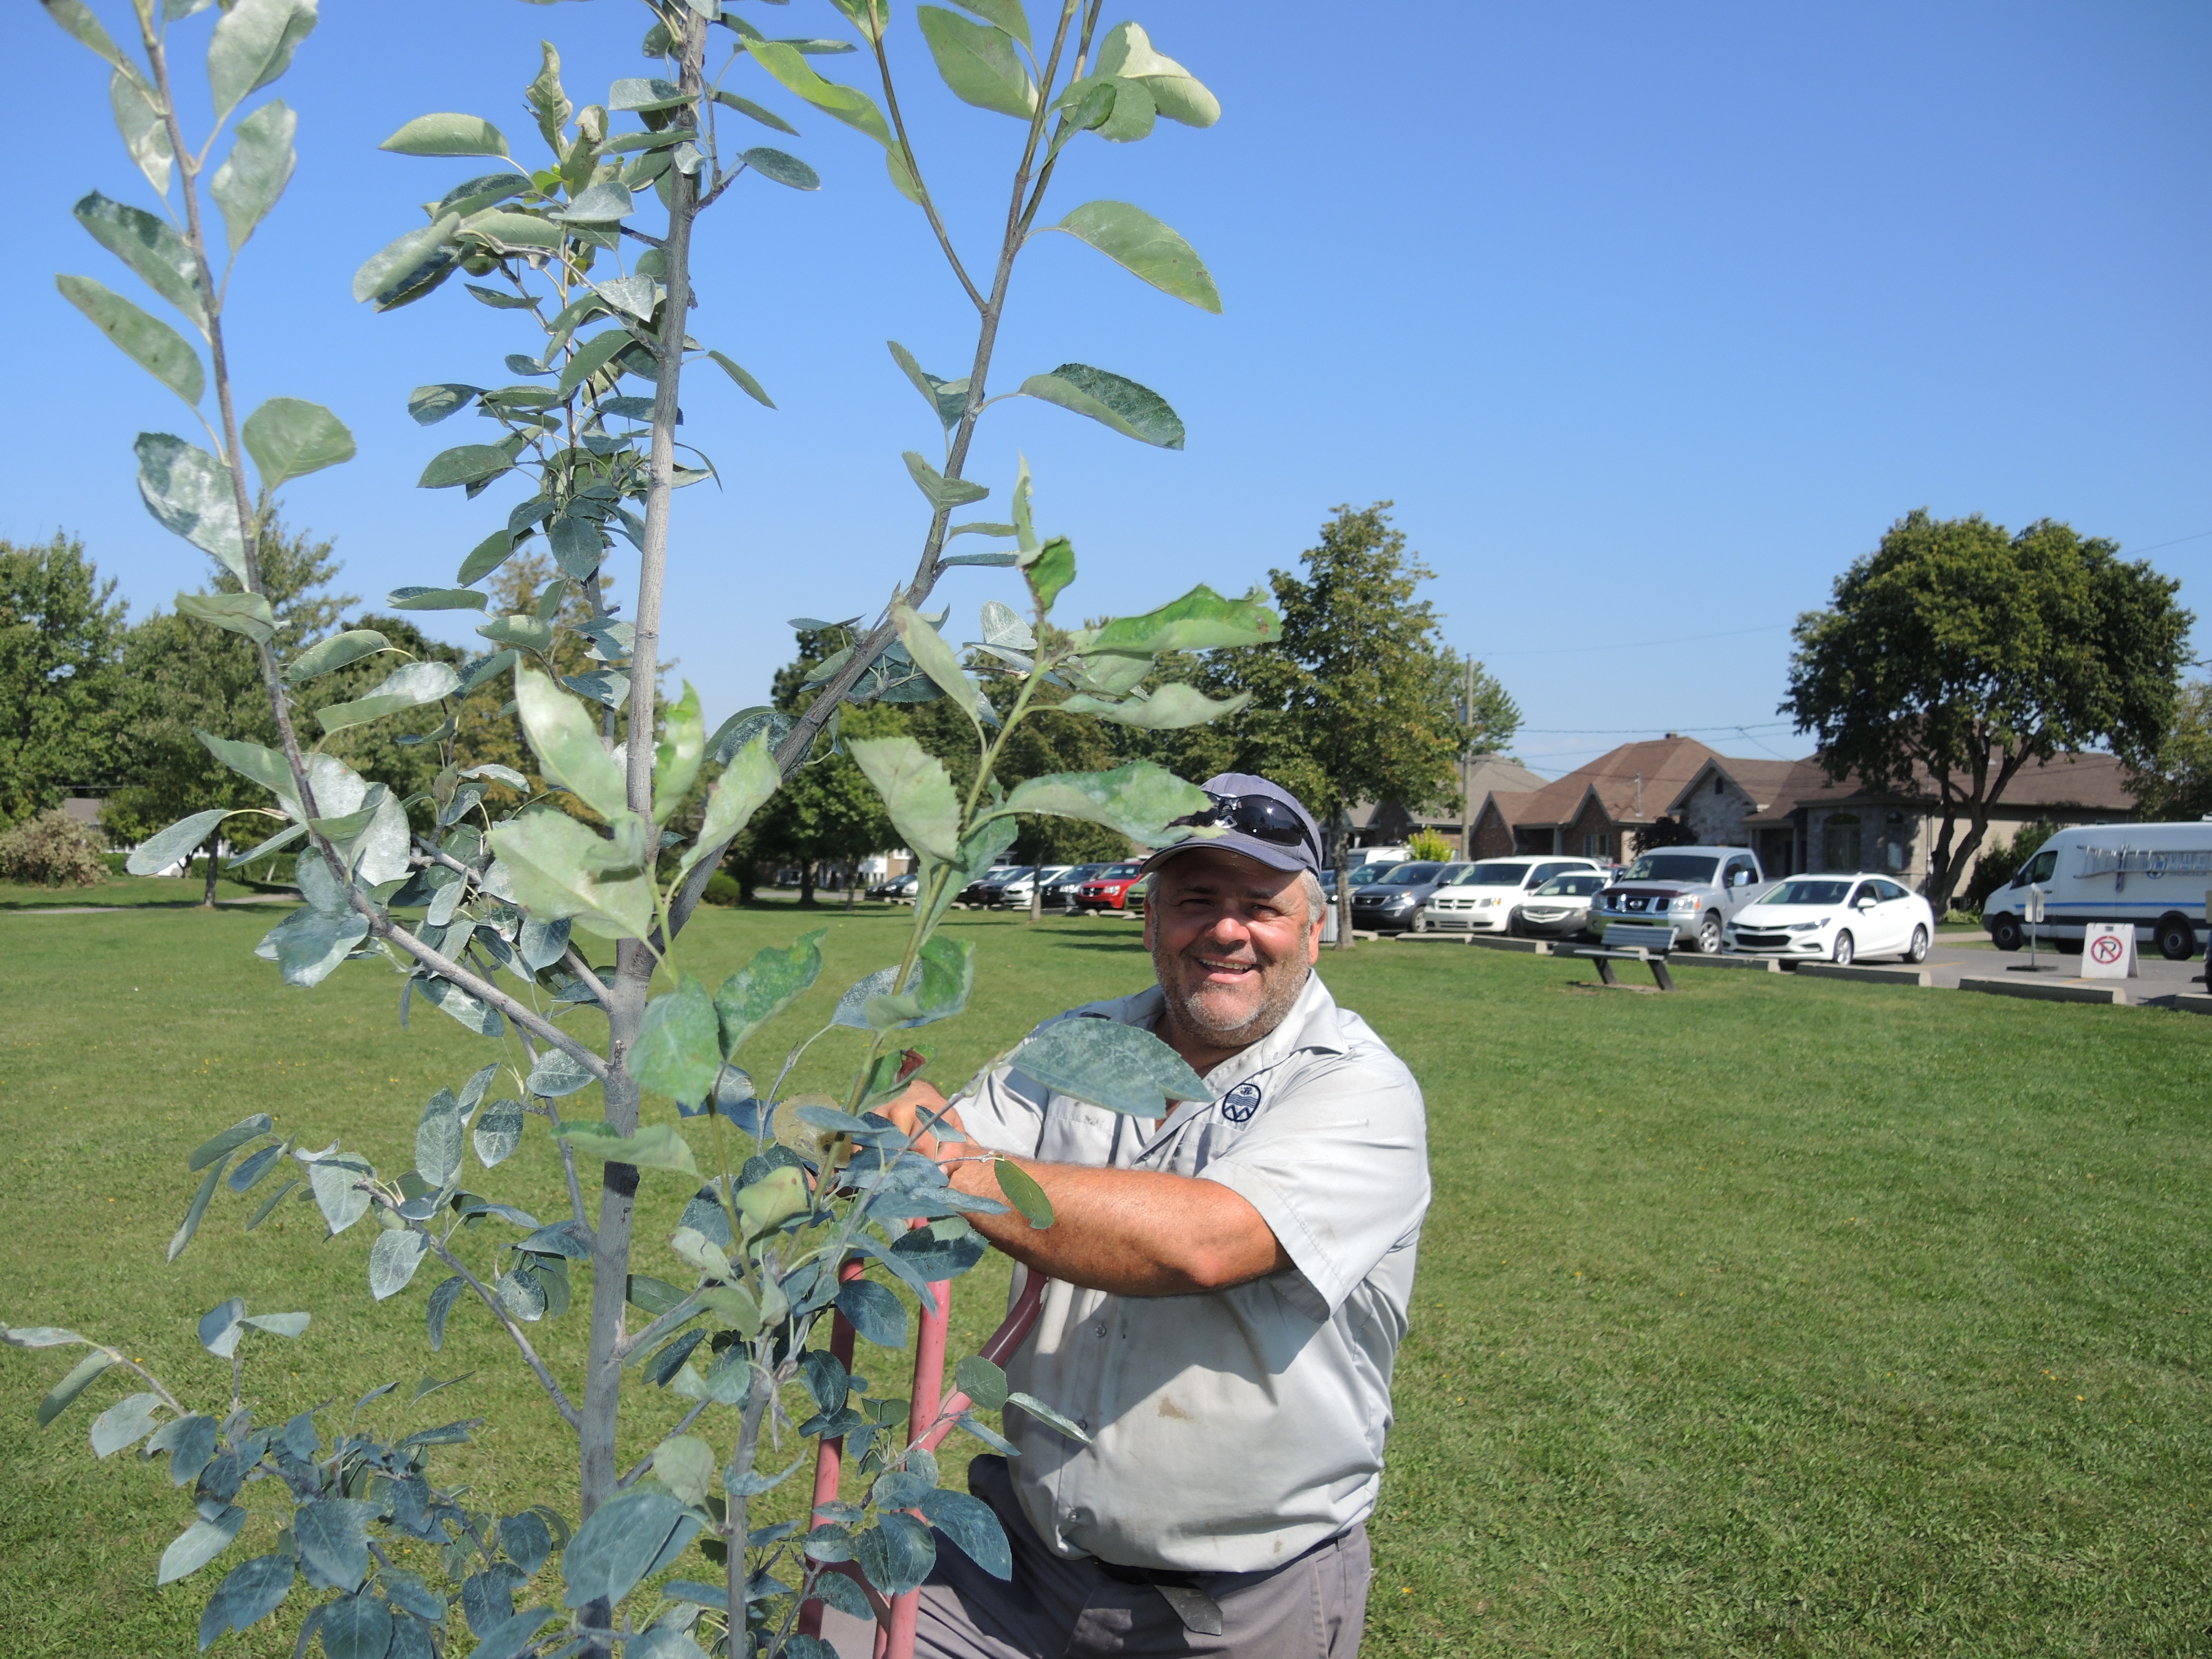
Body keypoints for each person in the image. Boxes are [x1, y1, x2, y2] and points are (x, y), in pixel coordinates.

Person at [879, 773, 1432, 1658]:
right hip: (1015, 1564)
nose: (1225, 929)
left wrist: (943, 1159)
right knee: (843, 1625)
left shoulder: (1358, 1088)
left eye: (1262, 905)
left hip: (1234, 1607)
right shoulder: (1081, 1045)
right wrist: (890, 1109)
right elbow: (947, 1139)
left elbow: (1203, 1242)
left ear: (1314, 931)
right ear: (1150, 920)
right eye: (1196, 900)